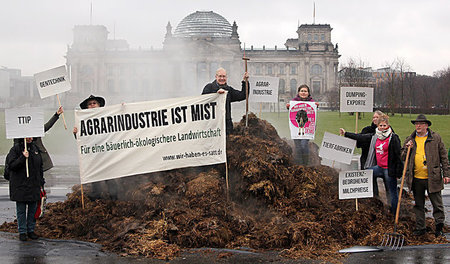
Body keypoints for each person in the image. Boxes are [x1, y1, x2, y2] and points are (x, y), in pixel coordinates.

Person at [340, 114, 403, 214]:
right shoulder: (375, 136)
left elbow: (398, 156)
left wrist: (398, 173)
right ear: (377, 126)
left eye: (384, 126)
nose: (382, 128)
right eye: (380, 126)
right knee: (366, 173)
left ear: (388, 126)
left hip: (388, 169)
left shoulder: (393, 138)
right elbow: (361, 137)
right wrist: (346, 133)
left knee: (392, 192)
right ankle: (371, 199)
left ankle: (395, 212)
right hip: (379, 167)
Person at [402, 114, 450, 237]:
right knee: (419, 205)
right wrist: (408, 149)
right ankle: (420, 228)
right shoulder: (410, 140)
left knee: (437, 204)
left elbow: (444, 157)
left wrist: (447, 173)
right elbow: (402, 157)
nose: (418, 126)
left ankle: (439, 228)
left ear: (426, 125)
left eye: (421, 124)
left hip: (433, 177)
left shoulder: (435, 138)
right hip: (416, 178)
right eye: (416, 124)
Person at [5, 137, 44, 241]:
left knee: (33, 208)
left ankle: (30, 230)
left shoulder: (35, 149)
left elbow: (40, 167)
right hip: (20, 185)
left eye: (31, 136)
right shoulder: (15, 150)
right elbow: (12, 165)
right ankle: (22, 231)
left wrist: (41, 182)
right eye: (27, 136)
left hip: (33, 185)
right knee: (21, 210)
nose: (30, 138)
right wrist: (23, 157)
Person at [14, 106, 64, 172]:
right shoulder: (18, 135)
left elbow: (47, 126)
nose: (30, 138)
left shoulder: (36, 130)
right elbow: (15, 148)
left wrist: (57, 114)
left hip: (38, 161)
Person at [202, 68, 249, 135]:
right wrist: (216, 94)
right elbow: (203, 100)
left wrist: (245, 81)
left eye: (224, 76)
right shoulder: (209, 87)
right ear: (216, 77)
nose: (222, 78)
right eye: (220, 76)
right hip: (212, 125)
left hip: (227, 125)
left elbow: (243, 95)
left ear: (226, 77)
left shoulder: (229, 90)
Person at [286, 84, 319, 165]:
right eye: (302, 91)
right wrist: (288, 107)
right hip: (296, 127)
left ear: (308, 93)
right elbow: (293, 113)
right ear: (298, 92)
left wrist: (316, 106)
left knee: (304, 145)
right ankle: (300, 164)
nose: (303, 93)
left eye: (305, 91)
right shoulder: (294, 102)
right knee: (298, 146)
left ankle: (305, 163)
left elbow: (312, 114)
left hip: (307, 127)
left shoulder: (312, 102)